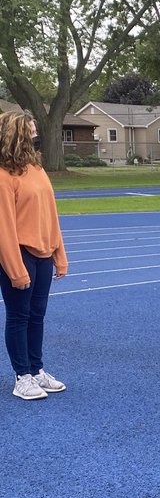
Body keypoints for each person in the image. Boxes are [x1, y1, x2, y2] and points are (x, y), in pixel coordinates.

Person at [0, 110, 68, 401]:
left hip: (43, 253)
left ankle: (37, 369)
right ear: (17, 132)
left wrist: (59, 253)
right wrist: (15, 269)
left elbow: (51, 215)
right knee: (19, 315)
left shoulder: (37, 169)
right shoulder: (4, 176)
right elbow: (4, 226)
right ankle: (22, 377)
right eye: (31, 126)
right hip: (20, 254)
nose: (36, 130)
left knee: (37, 316)